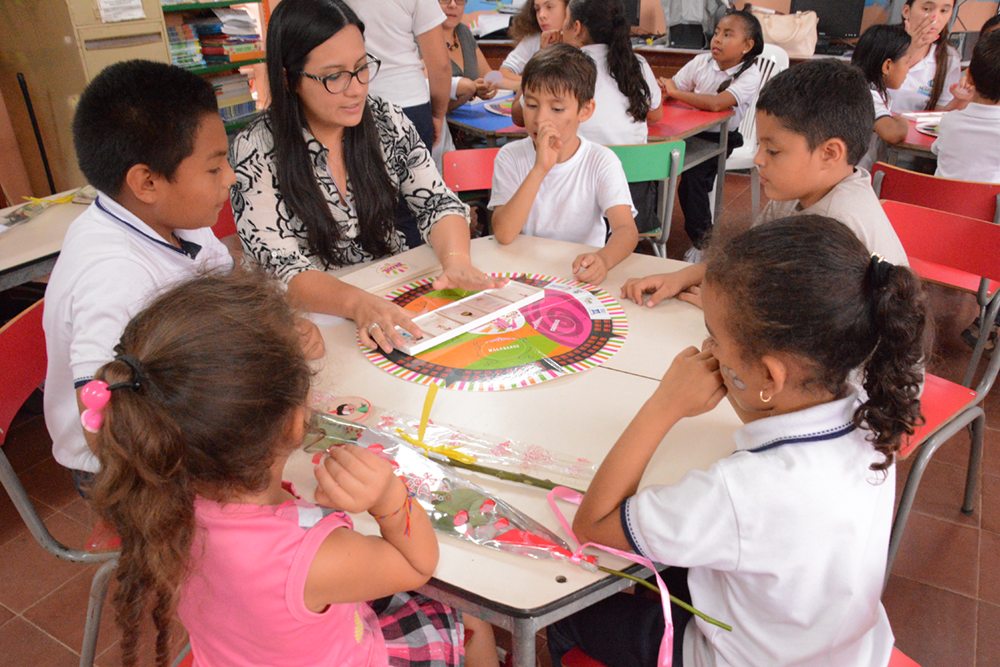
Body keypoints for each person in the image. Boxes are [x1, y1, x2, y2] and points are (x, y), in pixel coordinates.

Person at [550, 215, 926, 667]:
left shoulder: (740, 490)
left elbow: (592, 527)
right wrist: (738, 373)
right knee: (673, 571)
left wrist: (664, 405)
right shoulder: (869, 408)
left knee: (566, 616)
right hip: (844, 649)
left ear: (769, 375)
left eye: (715, 338)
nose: (709, 349)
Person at [84, 270, 499, 667]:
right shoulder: (311, 555)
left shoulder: (156, 492)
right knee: (470, 619)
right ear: (294, 423)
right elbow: (416, 565)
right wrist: (389, 496)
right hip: (351, 650)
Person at [230, 0, 503, 355]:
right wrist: (358, 304)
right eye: (334, 76)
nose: (357, 88)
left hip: (391, 300)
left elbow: (436, 201)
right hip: (312, 328)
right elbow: (281, 267)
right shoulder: (256, 149)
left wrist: (456, 261)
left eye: (362, 68)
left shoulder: (386, 119)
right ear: (288, 78)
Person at [41, 60, 237, 487]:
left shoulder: (175, 217)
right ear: (147, 183)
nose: (231, 178)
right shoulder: (114, 275)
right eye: (214, 167)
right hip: (126, 468)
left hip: (181, 406)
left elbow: (226, 293)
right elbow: (106, 430)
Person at [623, 59, 909, 310]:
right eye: (759, 145)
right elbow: (746, 253)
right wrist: (682, 277)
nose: (758, 158)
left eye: (772, 150)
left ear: (830, 153)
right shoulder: (802, 187)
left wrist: (726, 310)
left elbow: (800, 340)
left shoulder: (836, 231)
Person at [488, 44, 639, 285]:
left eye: (556, 108)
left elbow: (626, 230)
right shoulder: (510, 157)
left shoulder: (601, 161)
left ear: (585, 110)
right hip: (522, 276)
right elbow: (504, 234)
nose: (540, 119)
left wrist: (603, 260)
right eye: (531, 105)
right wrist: (540, 169)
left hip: (576, 276)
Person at [657, 8, 764, 260]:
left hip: (721, 137)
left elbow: (718, 104)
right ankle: (649, 227)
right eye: (716, 33)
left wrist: (675, 93)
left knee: (693, 179)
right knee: (655, 163)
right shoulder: (701, 61)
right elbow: (673, 85)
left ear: (747, 45)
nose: (717, 39)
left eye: (727, 35)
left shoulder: (750, 74)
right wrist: (664, 91)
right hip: (688, 132)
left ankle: (703, 244)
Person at [343, 0, 451, 151]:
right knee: (416, 174)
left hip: (351, 100)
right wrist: (438, 115)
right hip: (411, 102)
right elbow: (441, 65)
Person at [932, 29, 1000, 184]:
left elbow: (936, 150)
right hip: (988, 208)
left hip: (938, 205)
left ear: (968, 77)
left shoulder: (949, 121)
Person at [852, 24, 914, 171]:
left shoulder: (858, 86)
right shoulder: (867, 94)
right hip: (851, 177)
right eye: (907, 62)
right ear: (887, 66)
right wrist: (903, 122)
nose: (908, 69)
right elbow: (891, 133)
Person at [890, 0, 968, 112]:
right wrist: (911, 49)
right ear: (906, 11)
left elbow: (939, 112)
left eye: (944, 11)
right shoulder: (879, 41)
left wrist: (960, 100)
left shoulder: (948, 57)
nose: (934, 18)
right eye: (926, 9)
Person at [498, 0, 569, 91]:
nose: (541, 15)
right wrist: (533, 84)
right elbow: (503, 73)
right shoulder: (533, 39)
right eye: (537, 9)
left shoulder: (580, 40)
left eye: (549, 7)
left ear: (568, 8)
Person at [440, 0, 498, 109]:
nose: (453, 4)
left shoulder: (463, 32)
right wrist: (471, 89)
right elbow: (431, 95)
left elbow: (489, 76)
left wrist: (523, 86)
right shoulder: (420, 38)